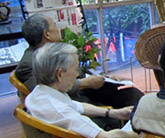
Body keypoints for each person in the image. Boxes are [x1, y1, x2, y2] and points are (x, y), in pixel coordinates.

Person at [15, 14, 144, 109]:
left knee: (132, 95)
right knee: (133, 102)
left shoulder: (53, 50)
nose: (59, 29)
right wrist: (84, 83)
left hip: (86, 92)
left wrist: (106, 79)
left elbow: (78, 74)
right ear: (47, 34)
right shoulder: (28, 64)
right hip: (75, 102)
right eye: (54, 25)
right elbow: (47, 92)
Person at [25, 42, 138, 138]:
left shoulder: (38, 94)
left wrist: (113, 113)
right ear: (60, 74)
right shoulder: (61, 111)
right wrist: (141, 132)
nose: (77, 74)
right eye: (75, 69)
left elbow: (78, 106)